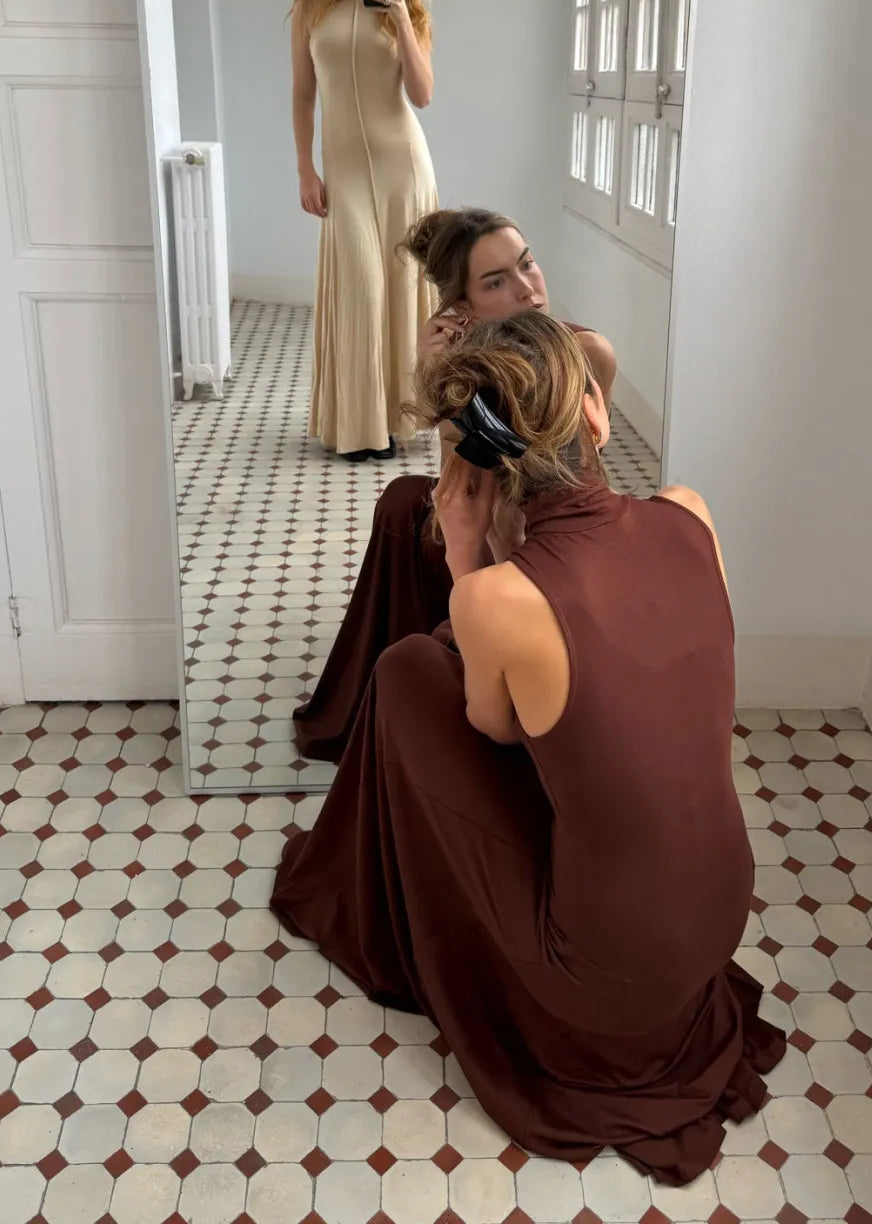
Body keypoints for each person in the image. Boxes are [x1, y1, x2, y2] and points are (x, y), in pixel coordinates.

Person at [272, 312, 785, 1183]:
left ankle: (392, 907)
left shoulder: (498, 600)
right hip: (723, 908)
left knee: (406, 672)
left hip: (606, 970)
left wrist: (465, 555)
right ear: (595, 413)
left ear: (481, 465)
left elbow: (496, 729)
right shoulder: (689, 514)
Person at [292, 205, 616, 759]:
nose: (527, 289)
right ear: (462, 307)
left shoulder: (587, 353)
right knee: (403, 503)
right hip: (489, 522)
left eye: (527, 264)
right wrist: (437, 377)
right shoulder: (467, 366)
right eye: (496, 281)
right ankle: (420, 681)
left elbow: (586, 476)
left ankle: (482, 675)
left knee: (429, 516)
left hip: (560, 535)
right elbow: (461, 493)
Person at [292, 0, 437, 462]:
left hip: (404, 166)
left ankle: (397, 421)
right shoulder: (311, 6)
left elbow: (423, 95)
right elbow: (303, 95)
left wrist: (400, 18)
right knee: (361, 289)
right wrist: (305, 168)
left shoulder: (408, 7)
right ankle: (357, 426)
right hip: (344, 170)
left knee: (400, 288)